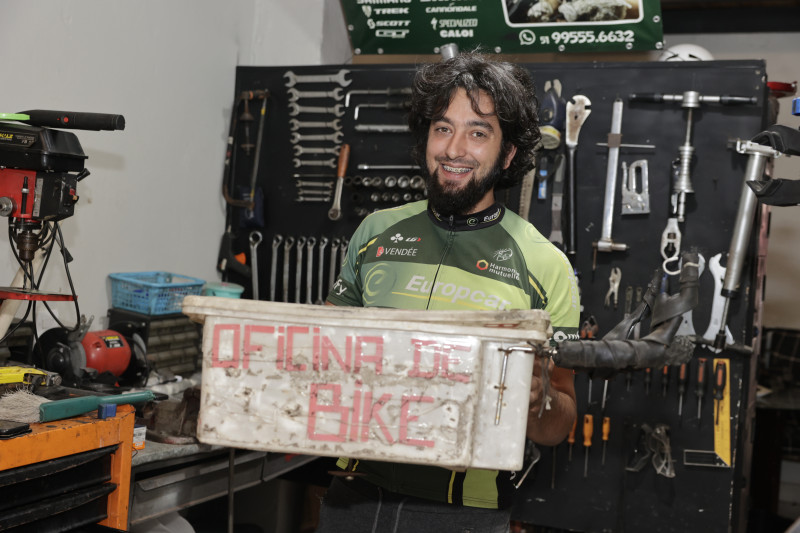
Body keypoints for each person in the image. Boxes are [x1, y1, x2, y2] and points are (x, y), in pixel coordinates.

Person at [318, 51, 580, 533]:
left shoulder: (546, 265)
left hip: (464, 513)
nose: (454, 148)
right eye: (443, 128)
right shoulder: (376, 231)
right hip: (351, 498)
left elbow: (560, 423)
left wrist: (538, 399)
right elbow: (323, 354)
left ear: (506, 156)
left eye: (478, 132)